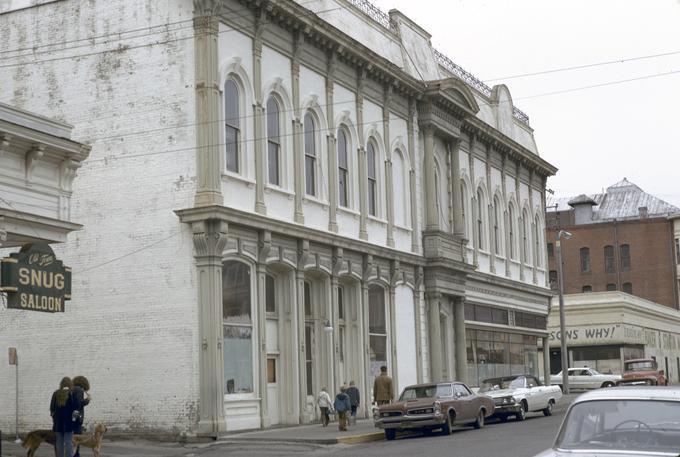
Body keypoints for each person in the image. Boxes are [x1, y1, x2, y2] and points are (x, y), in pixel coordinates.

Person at [50, 377, 77, 457]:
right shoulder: (72, 394)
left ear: (61, 384)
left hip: (58, 423)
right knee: (69, 443)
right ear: (70, 384)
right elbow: (75, 410)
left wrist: (54, 418)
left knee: (59, 444)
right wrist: (74, 421)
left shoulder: (56, 394)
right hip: (69, 424)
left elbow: (52, 408)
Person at [71, 375, 91, 457]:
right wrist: (87, 400)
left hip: (72, 417)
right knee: (77, 438)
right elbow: (79, 404)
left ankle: (72, 454)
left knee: (72, 438)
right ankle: (76, 455)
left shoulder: (73, 389)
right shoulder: (79, 390)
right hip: (77, 418)